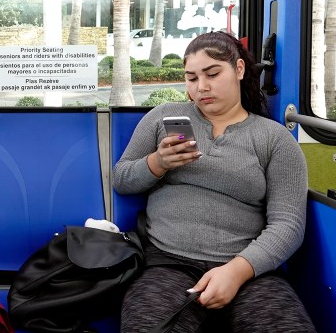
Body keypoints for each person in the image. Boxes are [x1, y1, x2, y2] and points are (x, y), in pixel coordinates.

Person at [113, 31, 316, 332]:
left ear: (238, 69)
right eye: (191, 78)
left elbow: (288, 224)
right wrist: (157, 163)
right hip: (168, 264)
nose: (202, 87)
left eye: (212, 74)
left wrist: (236, 272)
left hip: (249, 270)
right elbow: (122, 179)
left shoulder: (274, 139)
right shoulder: (162, 117)